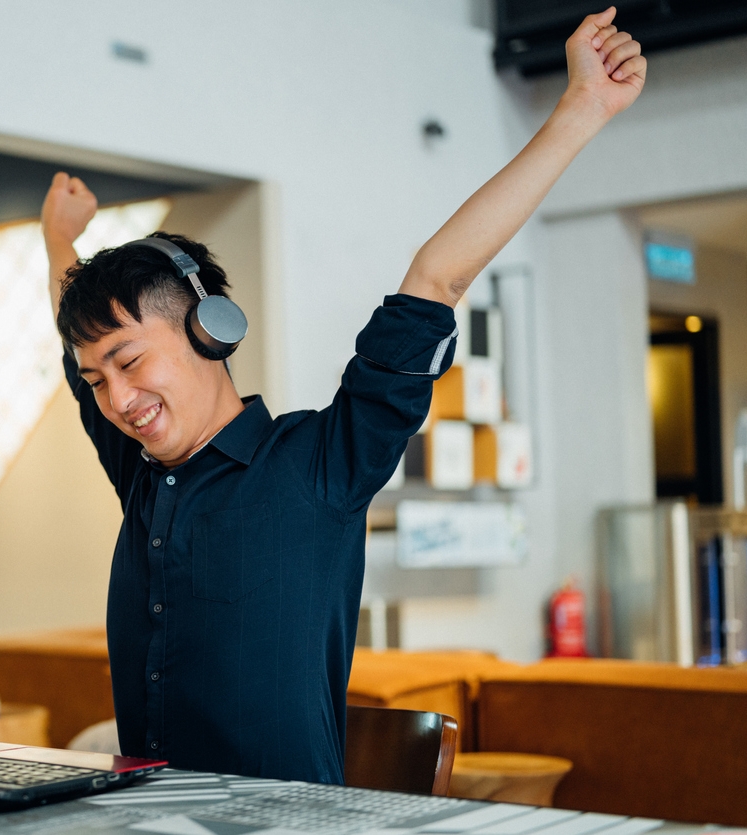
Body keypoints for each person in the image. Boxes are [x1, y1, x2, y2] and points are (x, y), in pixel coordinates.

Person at [39, 8, 645, 783]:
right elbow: (76, 337)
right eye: (97, 382)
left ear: (207, 329)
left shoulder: (319, 463)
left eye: (128, 362)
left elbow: (437, 276)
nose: (117, 399)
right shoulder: (140, 471)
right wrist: (60, 241)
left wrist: (580, 108)